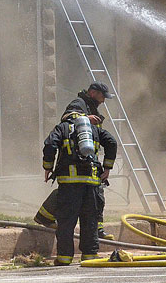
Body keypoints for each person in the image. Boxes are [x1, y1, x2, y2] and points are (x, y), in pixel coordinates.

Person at [34, 82, 115, 239]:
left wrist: (106, 167)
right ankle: (44, 216)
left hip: (89, 158)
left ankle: (97, 229)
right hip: (73, 156)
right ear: (92, 92)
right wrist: (85, 118)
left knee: (93, 193)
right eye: (102, 96)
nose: (103, 100)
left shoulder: (91, 107)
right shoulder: (79, 103)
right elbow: (66, 118)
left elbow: (109, 141)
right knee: (71, 192)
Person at [42, 112, 117, 265]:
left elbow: (50, 145)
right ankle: (89, 256)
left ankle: (64, 258)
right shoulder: (94, 129)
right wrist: (108, 167)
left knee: (66, 222)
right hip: (92, 184)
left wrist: (48, 167)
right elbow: (112, 142)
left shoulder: (62, 128)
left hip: (69, 185)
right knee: (90, 221)